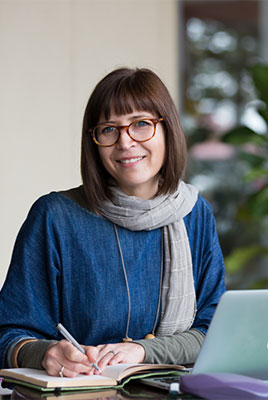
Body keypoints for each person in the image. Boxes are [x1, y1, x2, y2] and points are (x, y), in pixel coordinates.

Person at [0, 67, 225, 378]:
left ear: (168, 130)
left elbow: (214, 331)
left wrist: (143, 351)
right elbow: (8, 335)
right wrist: (45, 354)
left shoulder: (194, 213)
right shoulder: (55, 217)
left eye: (142, 124)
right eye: (109, 129)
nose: (125, 142)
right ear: (94, 141)